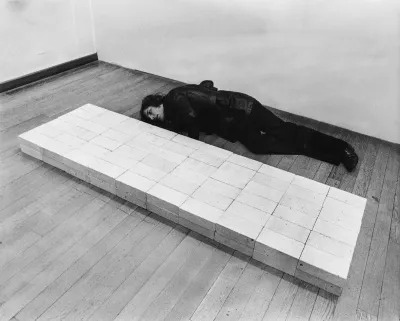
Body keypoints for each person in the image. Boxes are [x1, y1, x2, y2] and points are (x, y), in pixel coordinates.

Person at [140, 80, 359, 172]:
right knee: (262, 144)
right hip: (235, 119)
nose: (152, 117)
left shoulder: (172, 99)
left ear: (155, 102)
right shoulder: (176, 109)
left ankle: (341, 148)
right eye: (149, 118)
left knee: (282, 131)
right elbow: (206, 86)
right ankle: (332, 154)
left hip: (243, 108)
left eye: (150, 112)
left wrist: (192, 148)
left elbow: (192, 117)